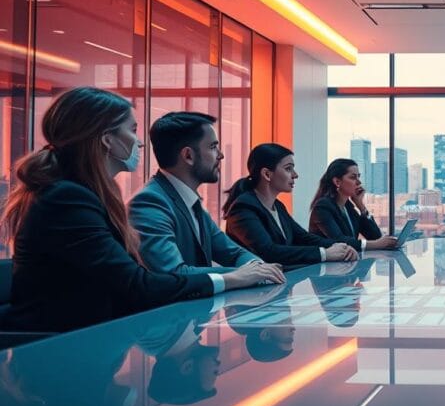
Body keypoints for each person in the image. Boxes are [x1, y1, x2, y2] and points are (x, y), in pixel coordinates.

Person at [0, 88, 284, 333]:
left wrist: (247, 271)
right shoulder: (66, 199)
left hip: (90, 341)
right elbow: (137, 285)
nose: (139, 142)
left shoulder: (82, 195)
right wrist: (230, 278)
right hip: (59, 352)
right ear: (107, 139)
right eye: (132, 130)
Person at [129, 111, 281, 282]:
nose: (221, 155)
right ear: (188, 156)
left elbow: (232, 252)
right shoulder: (149, 202)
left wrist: (258, 267)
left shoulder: (191, 202)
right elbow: (172, 273)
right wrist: (240, 276)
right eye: (213, 147)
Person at [223, 143, 357, 266]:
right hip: (253, 291)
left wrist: (341, 246)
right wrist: (324, 254)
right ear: (267, 174)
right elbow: (269, 252)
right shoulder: (243, 209)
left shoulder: (278, 206)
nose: (295, 175)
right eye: (288, 169)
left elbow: (304, 238)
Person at [308, 158, 397, 251]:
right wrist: (377, 244)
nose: (359, 182)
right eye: (353, 177)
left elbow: (375, 236)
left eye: (359, 176)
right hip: (323, 264)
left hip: (345, 262)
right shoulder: (323, 207)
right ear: (337, 182)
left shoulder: (348, 207)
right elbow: (340, 241)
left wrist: (360, 205)